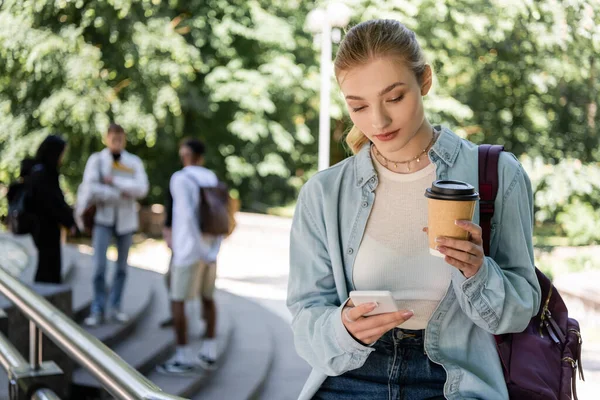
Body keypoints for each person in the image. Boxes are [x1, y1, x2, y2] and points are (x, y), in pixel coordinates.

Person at [286, 19, 542, 400]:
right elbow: (306, 314)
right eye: (358, 106)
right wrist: (343, 328)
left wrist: (477, 271)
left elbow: (521, 310)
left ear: (424, 81)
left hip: (456, 381)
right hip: (352, 376)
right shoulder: (324, 194)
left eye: (394, 98)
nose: (378, 121)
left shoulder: (497, 175)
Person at [157, 138, 223, 375]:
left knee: (178, 301)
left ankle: (183, 356)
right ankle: (209, 351)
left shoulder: (180, 178)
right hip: (210, 253)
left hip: (188, 252)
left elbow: (186, 217)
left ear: (185, 155)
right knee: (208, 298)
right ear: (201, 157)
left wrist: (197, 250)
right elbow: (219, 218)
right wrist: (212, 251)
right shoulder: (211, 177)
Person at [81, 123, 149, 327]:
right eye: (113, 139)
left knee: (122, 269)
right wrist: (121, 194)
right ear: (107, 138)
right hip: (103, 219)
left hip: (126, 221)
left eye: (120, 139)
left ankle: (115, 306)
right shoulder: (97, 160)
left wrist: (116, 184)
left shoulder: (133, 162)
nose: (117, 143)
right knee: (99, 268)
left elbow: (142, 189)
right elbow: (91, 189)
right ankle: (97, 308)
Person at [28, 136, 76, 284]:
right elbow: (53, 204)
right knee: (48, 269)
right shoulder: (44, 174)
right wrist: (69, 222)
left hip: (42, 228)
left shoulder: (38, 171)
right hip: (46, 229)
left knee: (47, 267)